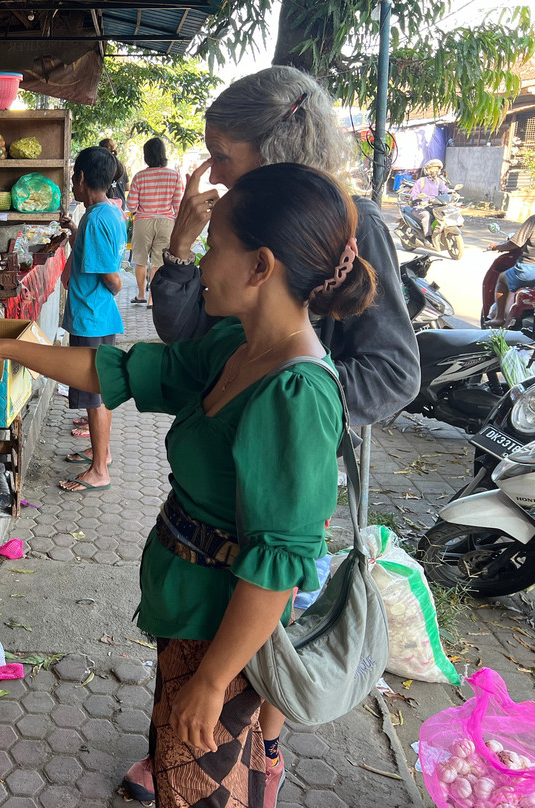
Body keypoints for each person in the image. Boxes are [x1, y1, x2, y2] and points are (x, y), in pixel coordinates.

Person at [0, 162, 377, 808]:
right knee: (186, 776)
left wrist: (214, 678)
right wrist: (10, 350)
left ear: (261, 267)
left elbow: (280, 565)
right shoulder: (237, 342)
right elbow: (115, 368)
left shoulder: (296, 392)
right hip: (190, 616)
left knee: (200, 793)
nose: (202, 262)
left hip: (222, 639)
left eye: (215, 248)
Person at [143, 65, 420, 806]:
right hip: (220, 490)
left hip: (284, 489)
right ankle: (211, 747)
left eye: (223, 157)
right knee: (223, 652)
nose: (212, 176)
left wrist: (287, 404)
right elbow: (184, 336)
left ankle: (238, 758)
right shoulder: (239, 235)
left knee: (256, 640)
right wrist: (182, 250)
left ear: (276, 151)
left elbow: (395, 372)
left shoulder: (354, 226)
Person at [58, 146, 125, 490]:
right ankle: (103, 454)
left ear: (82, 178)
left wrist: (113, 287)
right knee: (100, 391)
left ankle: (99, 470)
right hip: (96, 316)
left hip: (92, 317)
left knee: (95, 395)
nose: (72, 183)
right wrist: (74, 232)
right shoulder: (106, 213)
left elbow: (111, 277)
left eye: (73, 176)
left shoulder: (96, 218)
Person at [126, 137, 185, 307]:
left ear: (146, 155)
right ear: (163, 154)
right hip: (166, 222)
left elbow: (131, 206)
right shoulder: (174, 176)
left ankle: (140, 295)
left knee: (140, 260)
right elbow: (178, 206)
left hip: (143, 222)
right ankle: (152, 299)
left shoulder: (139, 177)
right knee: (158, 263)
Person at [486, 214, 535, 326]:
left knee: (502, 278)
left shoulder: (533, 220)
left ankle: (499, 317)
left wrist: (497, 246)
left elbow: (514, 243)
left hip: (528, 270)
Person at [408, 159, 452, 238]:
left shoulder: (439, 181)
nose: (434, 171)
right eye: (432, 169)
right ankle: (427, 237)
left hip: (434, 206)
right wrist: (418, 200)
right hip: (420, 207)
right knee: (426, 216)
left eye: (437, 169)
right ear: (427, 170)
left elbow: (445, 190)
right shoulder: (421, 181)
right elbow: (414, 194)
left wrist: (453, 193)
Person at [100, 138, 128, 207]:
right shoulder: (121, 166)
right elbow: (127, 187)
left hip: (107, 204)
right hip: (121, 204)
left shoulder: (102, 167)